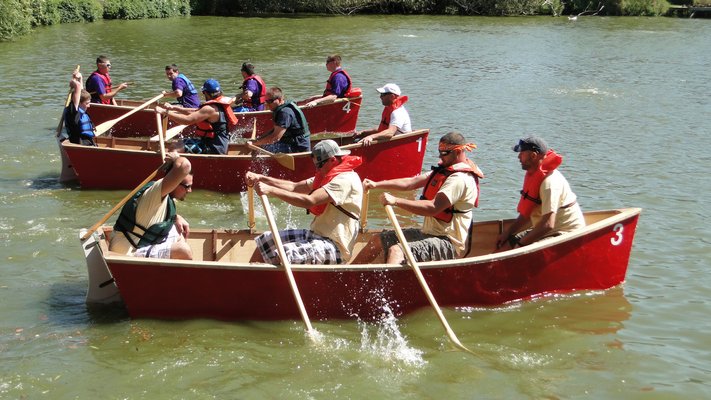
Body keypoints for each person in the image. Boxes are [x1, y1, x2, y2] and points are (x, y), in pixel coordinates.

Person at [352, 132, 484, 265]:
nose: (440, 156)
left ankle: (392, 286)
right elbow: (411, 182)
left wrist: (396, 201)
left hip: (447, 243)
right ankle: (349, 275)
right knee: (378, 240)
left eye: (445, 153)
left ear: (459, 151)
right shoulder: (444, 171)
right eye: (439, 152)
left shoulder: (459, 179)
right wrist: (376, 184)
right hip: (428, 233)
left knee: (397, 251)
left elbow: (433, 208)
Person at [248, 140, 363, 264]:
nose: (317, 169)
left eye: (319, 165)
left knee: (285, 253)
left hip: (335, 248)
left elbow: (309, 201)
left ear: (333, 160)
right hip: (316, 235)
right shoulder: (327, 175)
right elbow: (294, 187)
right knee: (265, 242)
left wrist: (271, 190)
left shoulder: (345, 180)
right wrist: (261, 178)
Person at [495, 136, 586, 251]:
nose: (518, 157)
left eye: (522, 153)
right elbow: (526, 212)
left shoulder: (549, 183)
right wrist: (507, 233)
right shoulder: (534, 176)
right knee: (504, 246)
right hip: (547, 229)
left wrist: (521, 246)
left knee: (519, 253)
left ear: (533, 156)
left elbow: (548, 224)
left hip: (565, 233)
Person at [109, 151, 194, 260]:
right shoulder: (155, 192)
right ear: (175, 183)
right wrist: (176, 158)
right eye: (187, 186)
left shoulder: (166, 197)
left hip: (140, 246)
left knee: (177, 230)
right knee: (183, 250)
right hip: (128, 253)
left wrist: (176, 217)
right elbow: (184, 166)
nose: (190, 190)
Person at [155, 79, 238, 155]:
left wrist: (165, 112)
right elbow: (195, 112)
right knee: (176, 143)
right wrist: (173, 108)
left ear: (206, 93)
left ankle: (178, 168)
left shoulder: (210, 109)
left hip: (213, 148)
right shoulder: (217, 106)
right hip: (215, 144)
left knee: (175, 149)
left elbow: (187, 120)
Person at [250, 87, 310, 153]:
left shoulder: (285, 112)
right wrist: (257, 140)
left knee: (261, 149)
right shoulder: (280, 109)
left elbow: (275, 137)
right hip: (290, 142)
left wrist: (254, 144)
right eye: (266, 102)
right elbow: (274, 131)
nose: (267, 104)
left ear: (279, 99)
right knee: (260, 145)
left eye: (270, 101)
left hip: (297, 147)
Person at [61, 71, 96, 146]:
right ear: (79, 103)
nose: (89, 106)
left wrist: (80, 78)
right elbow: (77, 88)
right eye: (87, 103)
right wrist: (74, 83)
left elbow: (82, 94)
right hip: (80, 143)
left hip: (89, 142)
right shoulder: (73, 113)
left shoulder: (81, 109)